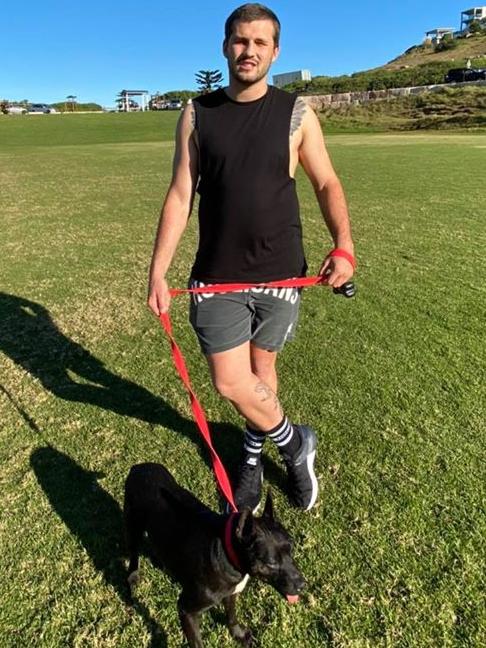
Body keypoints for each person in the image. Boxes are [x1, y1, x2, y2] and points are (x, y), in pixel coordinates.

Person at [148, 3, 355, 513]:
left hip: (282, 271)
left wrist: (344, 245)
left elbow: (326, 181)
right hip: (216, 276)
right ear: (225, 46)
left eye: (261, 43)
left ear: (275, 51)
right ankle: (293, 442)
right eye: (241, 41)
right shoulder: (198, 114)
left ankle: (252, 453)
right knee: (229, 380)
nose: (249, 51)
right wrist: (158, 268)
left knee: (262, 372)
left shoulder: (297, 113)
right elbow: (180, 194)